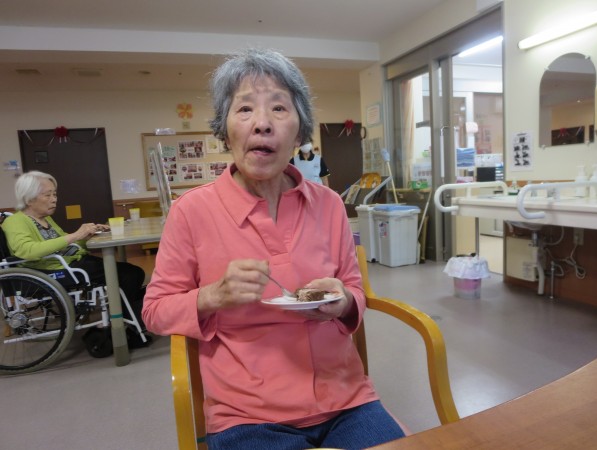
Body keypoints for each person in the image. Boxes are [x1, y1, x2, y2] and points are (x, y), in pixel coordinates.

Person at [142, 48, 406, 449]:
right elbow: (155, 310)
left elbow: (353, 289)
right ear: (224, 129)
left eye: (279, 108)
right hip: (246, 414)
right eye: (245, 109)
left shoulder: (329, 204)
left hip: (345, 399)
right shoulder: (191, 211)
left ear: (299, 134)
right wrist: (213, 296)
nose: (262, 123)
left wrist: (343, 301)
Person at [1, 171, 148, 338]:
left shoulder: (45, 218)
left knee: (130, 272)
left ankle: (127, 312)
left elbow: (67, 243)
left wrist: (88, 236)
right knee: (131, 274)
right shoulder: (15, 221)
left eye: (54, 194)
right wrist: (76, 235)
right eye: (48, 195)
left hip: (73, 262)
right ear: (28, 199)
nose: (54, 199)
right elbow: (26, 250)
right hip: (56, 270)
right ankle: (122, 319)